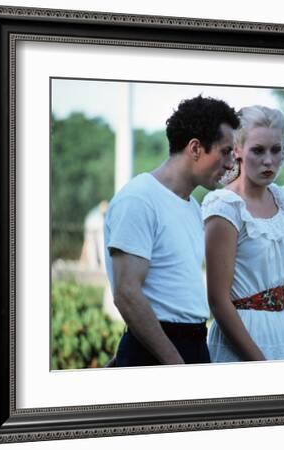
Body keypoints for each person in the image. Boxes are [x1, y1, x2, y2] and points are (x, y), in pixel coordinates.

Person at [103, 95, 240, 367]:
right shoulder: (139, 198)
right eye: (225, 152)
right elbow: (127, 294)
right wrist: (175, 363)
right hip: (162, 353)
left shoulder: (192, 207)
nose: (230, 164)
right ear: (195, 148)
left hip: (192, 344)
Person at [202, 105, 284, 362]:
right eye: (258, 150)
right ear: (237, 149)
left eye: (276, 149)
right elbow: (217, 300)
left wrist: (268, 285)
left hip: (282, 326)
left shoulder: (283, 200)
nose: (269, 160)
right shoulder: (226, 206)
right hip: (241, 333)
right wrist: (259, 362)